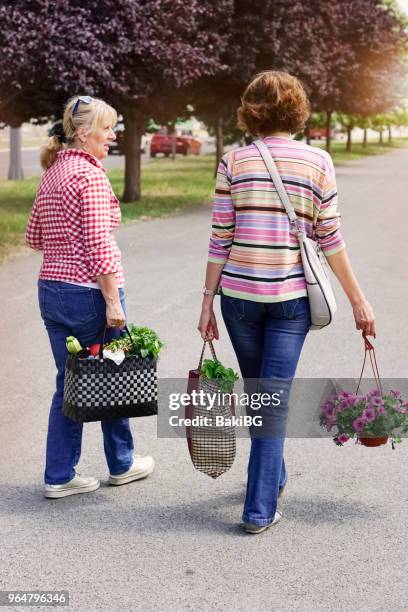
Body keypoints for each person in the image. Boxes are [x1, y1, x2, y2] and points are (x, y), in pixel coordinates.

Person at [198, 71, 375, 534]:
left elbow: (220, 238)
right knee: (270, 399)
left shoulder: (233, 161)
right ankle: (260, 506)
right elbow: (330, 237)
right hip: (290, 299)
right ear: (297, 110)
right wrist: (359, 301)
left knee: (263, 396)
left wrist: (205, 303)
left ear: (251, 110)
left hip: (237, 298)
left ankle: (267, 485)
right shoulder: (318, 161)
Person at [26, 95, 154, 498]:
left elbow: (33, 237)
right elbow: (99, 245)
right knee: (112, 374)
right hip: (88, 294)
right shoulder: (90, 176)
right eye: (106, 128)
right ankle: (122, 463)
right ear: (83, 132)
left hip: (51, 290)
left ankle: (59, 475)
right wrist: (113, 302)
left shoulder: (53, 173)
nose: (112, 135)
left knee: (70, 382)